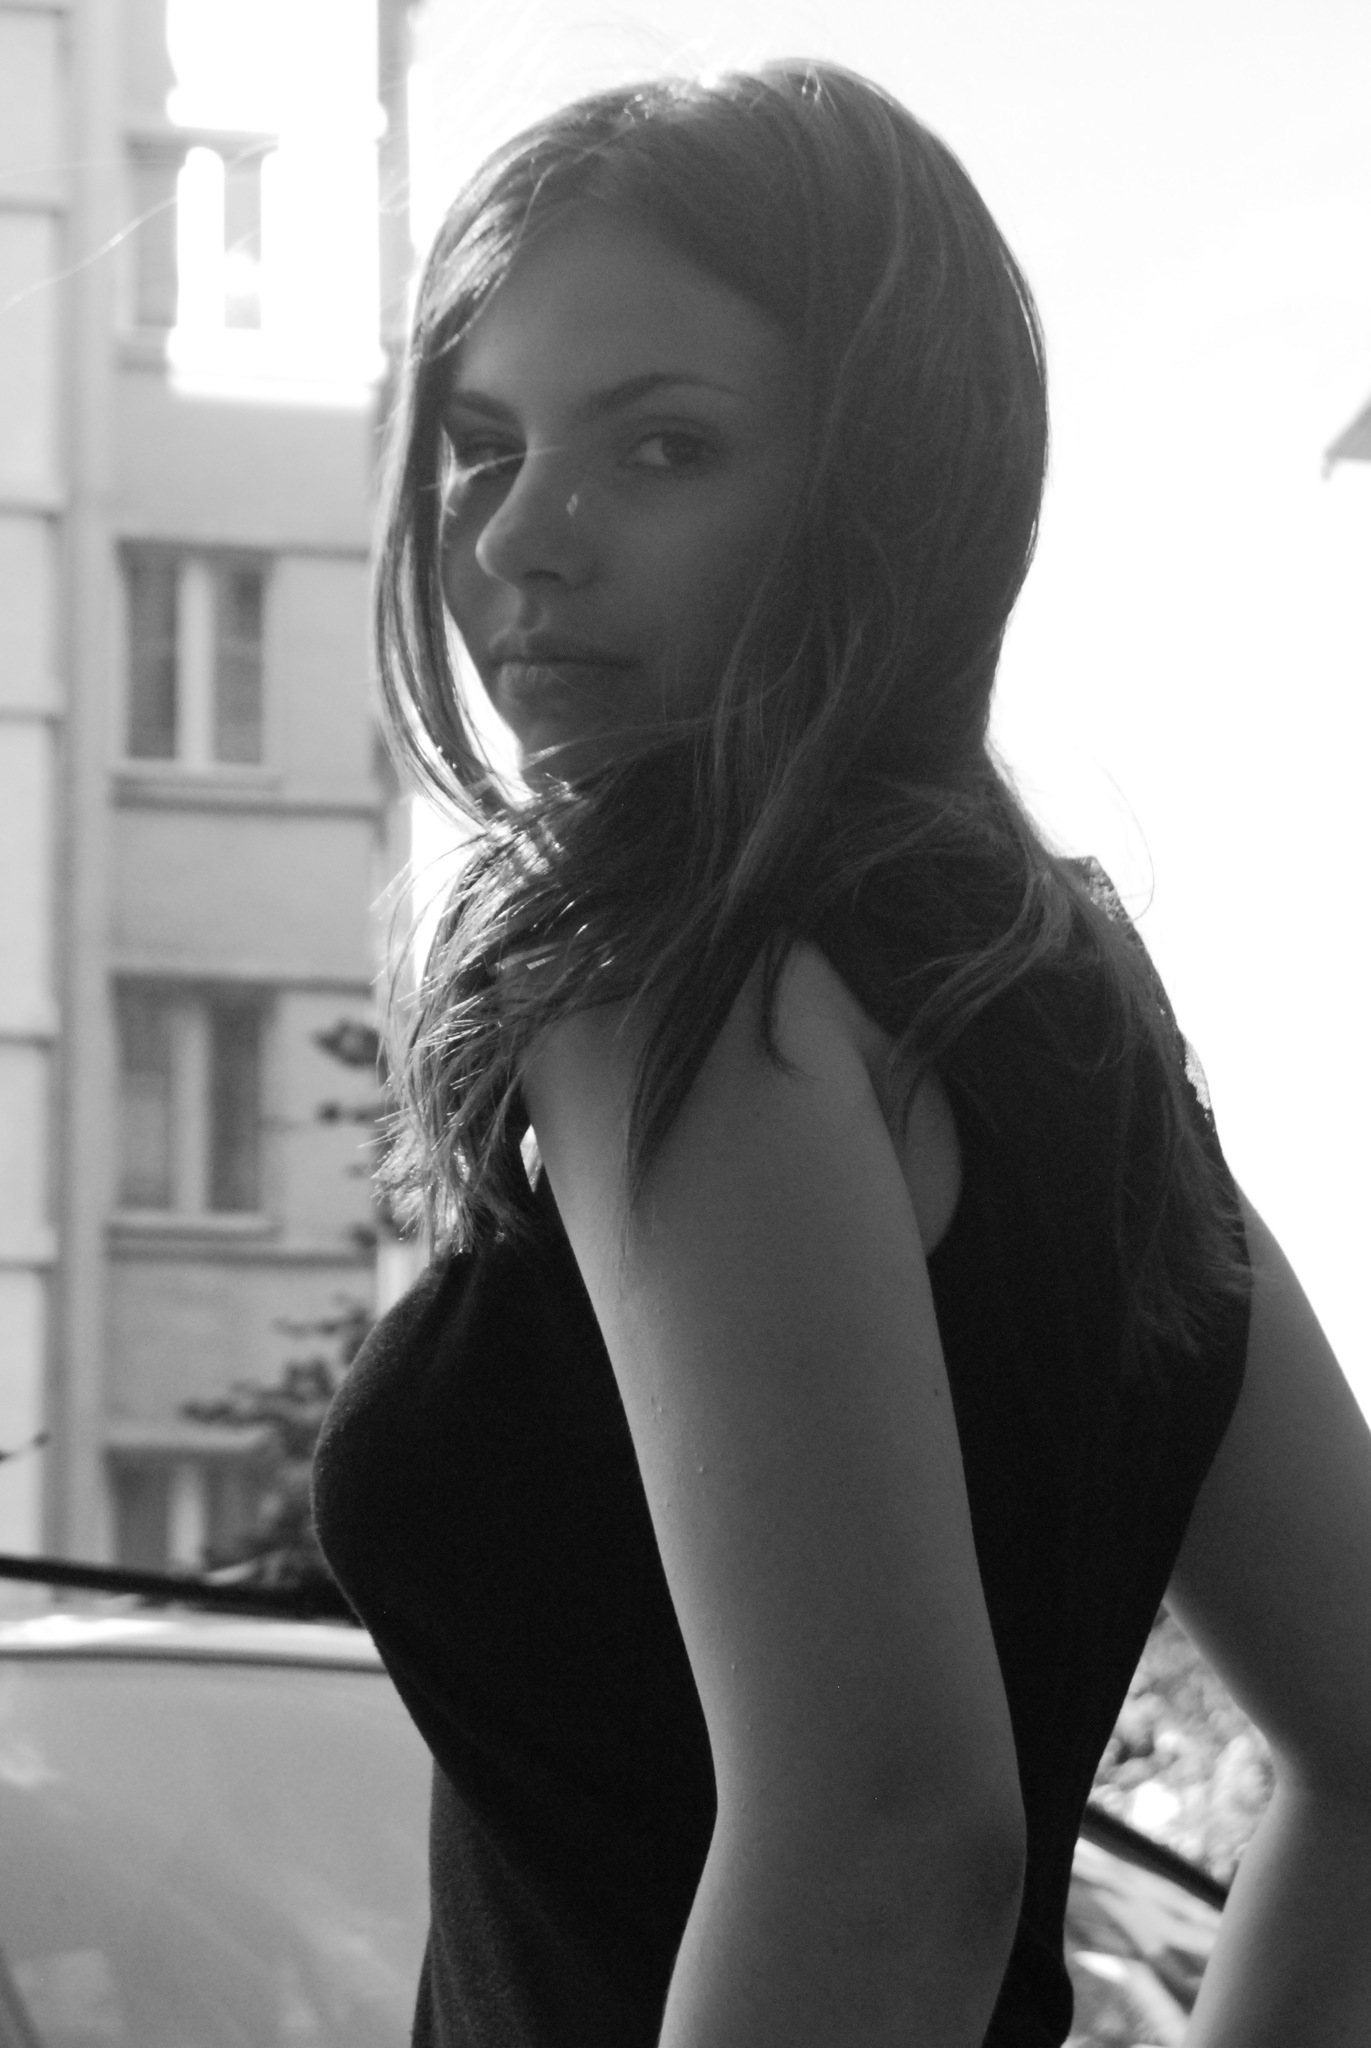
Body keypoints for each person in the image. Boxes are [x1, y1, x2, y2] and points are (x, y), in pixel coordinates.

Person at [312, 59, 1371, 2048]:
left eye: (663, 448)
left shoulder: (681, 989)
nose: (523, 538)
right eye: (482, 445)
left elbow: (886, 1841)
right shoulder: (1053, 1008)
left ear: (887, 491)